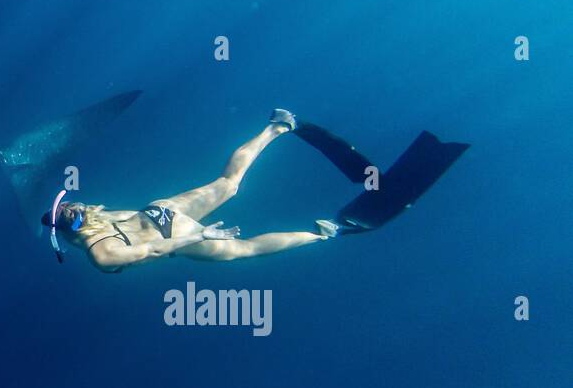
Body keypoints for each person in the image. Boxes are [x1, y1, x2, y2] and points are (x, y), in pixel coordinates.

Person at [43, 110, 467, 273]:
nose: (77, 208)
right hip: (162, 215)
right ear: (74, 223)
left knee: (245, 249)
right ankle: (279, 126)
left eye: (71, 207)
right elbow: (138, 241)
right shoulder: (100, 228)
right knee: (229, 182)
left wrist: (197, 236)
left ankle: (326, 232)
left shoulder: (98, 251)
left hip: (173, 235)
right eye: (72, 213)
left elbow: (153, 252)